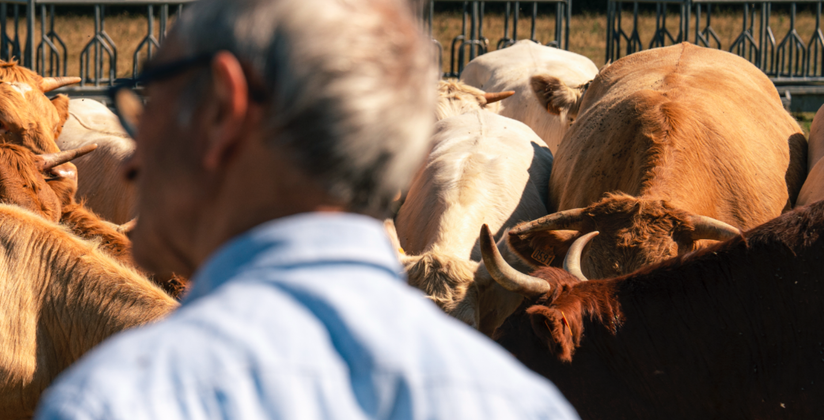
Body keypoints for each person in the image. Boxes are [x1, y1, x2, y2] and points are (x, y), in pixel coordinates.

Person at [33, 0, 579, 418]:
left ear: (223, 112)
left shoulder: (122, 400)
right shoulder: (522, 405)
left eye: (147, 107)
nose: (133, 160)